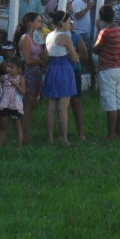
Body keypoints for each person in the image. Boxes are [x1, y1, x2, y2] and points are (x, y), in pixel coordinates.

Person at [41, 10, 79, 145]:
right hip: (64, 69)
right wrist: (74, 56)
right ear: (62, 23)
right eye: (69, 22)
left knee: (51, 106)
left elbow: (46, 55)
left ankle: (50, 138)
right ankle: (64, 138)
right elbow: (74, 58)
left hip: (52, 69)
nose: (70, 25)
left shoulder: (49, 35)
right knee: (63, 107)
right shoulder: (65, 37)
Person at [92, 3, 120, 140]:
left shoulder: (105, 32)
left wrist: (97, 30)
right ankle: (118, 133)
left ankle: (111, 134)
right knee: (118, 102)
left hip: (107, 69)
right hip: (118, 67)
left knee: (110, 103)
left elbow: (95, 48)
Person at [0, 56, 25, 148]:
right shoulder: (3, 77)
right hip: (5, 105)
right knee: (3, 125)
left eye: (12, 67)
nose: (9, 69)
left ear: (19, 69)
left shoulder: (20, 79)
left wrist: (16, 84)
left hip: (16, 105)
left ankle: (19, 147)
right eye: (8, 67)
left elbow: (23, 92)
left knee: (17, 126)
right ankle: (0, 145)